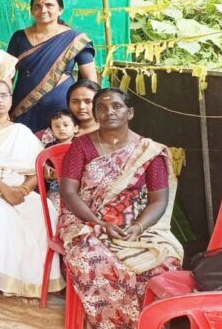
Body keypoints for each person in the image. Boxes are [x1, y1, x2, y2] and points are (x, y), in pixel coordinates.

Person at [59, 88, 182, 328]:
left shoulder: (148, 151)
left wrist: (138, 227)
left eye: (117, 106)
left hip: (136, 223)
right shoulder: (81, 145)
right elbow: (68, 192)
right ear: (95, 114)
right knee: (96, 261)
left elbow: (158, 200)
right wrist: (98, 223)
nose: (109, 112)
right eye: (101, 108)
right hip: (86, 220)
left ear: (130, 112)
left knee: (164, 263)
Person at [0, 79, 65, 300]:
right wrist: (5, 191)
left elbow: (36, 168)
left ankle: (37, 281)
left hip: (20, 189)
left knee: (45, 211)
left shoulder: (21, 131)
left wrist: (24, 190)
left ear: (10, 99)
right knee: (1, 217)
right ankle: (5, 281)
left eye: (4, 95)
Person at [7, 0, 98, 132]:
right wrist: (4, 105)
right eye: (37, 6)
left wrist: (92, 111)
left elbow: (91, 80)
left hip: (61, 108)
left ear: (60, 10)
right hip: (22, 106)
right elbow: (8, 75)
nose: (43, 10)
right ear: (31, 10)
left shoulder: (75, 39)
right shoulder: (19, 37)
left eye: (49, 5)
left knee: (60, 143)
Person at [38, 79, 99, 145]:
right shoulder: (51, 133)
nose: (81, 106)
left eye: (88, 101)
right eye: (75, 102)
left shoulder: (105, 132)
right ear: (68, 104)